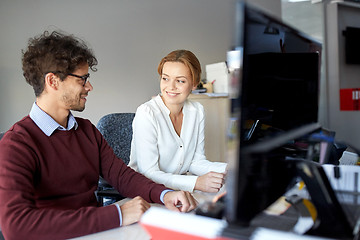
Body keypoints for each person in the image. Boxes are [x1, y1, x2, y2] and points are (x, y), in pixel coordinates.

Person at [0, 31, 197, 240]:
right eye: (82, 79)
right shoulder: (17, 144)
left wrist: (164, 194)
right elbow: (17, 225)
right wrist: (118, 214)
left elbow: (122, 176)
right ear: (53, 81)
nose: (89, 87)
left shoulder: (86, 130)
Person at [129, 49, 227, 193]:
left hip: (177, 192)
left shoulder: (197, 111)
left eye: (180, 81)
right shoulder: (147, 113)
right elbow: (149, 173)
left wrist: (230, 169)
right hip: (146, 192)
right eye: (165, 78)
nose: (171, 87)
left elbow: (195, 162)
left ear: (194, 84)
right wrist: (196, 183)